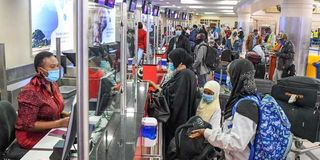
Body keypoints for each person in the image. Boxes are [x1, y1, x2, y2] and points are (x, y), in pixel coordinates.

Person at [190, 59, 259, 159]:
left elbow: (236, 143)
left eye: (229, 75)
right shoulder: (242, 99)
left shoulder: (246, 106)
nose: (228, 79)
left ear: (237, 76)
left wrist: (206, 133)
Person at [15, 51, 70, 149]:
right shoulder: (30, 92)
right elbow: (29, 125)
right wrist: (60, 123)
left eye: (57, 66)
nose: (57, 69)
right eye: (52, 67)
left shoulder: (53, 84)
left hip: (50, 131)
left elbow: (50, 108)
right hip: (32, 138)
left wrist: (64, 114)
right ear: (40, 70)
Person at [150, 48, 197, 150]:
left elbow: (174, 98)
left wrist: (160, 90)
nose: (170, 64)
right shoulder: (185, 73)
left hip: (178, 118)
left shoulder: (184, 75)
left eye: (172, 61)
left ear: (179, 62)